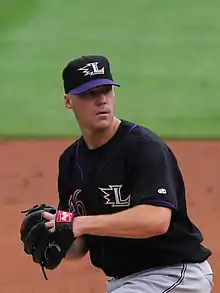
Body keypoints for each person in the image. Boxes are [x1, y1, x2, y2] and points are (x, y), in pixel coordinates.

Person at [42, 54, 213, 292]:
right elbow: (78, 245)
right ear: (68, 101)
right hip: (124, 282)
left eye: (106, 91)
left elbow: (156, 220)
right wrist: (55, 232)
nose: (101, 100)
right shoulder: (71, 160)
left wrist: (79, 223)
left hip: (174, 273)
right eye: (89, 94)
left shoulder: (142, 146)